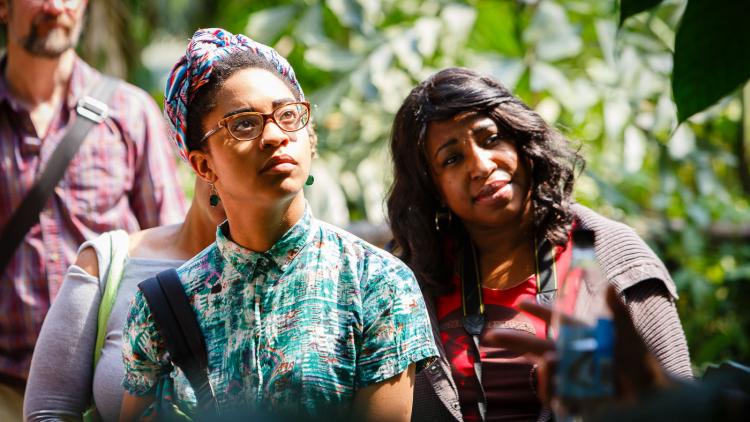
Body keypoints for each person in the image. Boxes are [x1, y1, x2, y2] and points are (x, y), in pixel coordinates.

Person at [119, 28, 438, 421]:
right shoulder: (162, 304)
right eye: (244, 124)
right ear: (204, 165)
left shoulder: (375, 281)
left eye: (288, 116)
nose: (274, 136)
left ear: (310, 138)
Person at [386, 67, 692, 421]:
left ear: (521, 141)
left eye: (490, 139)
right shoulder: (410, 278)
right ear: (433, 189)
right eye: (452, 159)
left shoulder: (614, 255)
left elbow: (682, 402)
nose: (481, 166)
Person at [0, 0, 185, 417]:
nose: (55, 6)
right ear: (3, 8)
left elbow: (175, 246)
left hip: (111, 382)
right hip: (5, 384)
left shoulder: (130, 113)